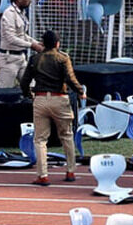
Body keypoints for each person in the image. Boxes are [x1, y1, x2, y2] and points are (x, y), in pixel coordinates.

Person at [20, 30, 85, 186]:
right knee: (66, 135)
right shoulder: (63, 58)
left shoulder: (35, 59)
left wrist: (29, 95)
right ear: (57, 44)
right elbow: (70, 78)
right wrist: (80, 92)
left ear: (42, 43)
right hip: (60, 99)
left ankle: (42, 175)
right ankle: (70, 171)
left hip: (40, 99)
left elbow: (24, 81)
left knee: (40, 139)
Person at [0, 0, 43, 89]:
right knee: (5, 92)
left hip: (20, 58)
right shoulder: (9, 14)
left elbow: (22, 35)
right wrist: (32, 45)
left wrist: (36, 43)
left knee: (31, 87)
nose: (30, 0)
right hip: (9, 59)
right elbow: (11, 38)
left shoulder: (21, 13)